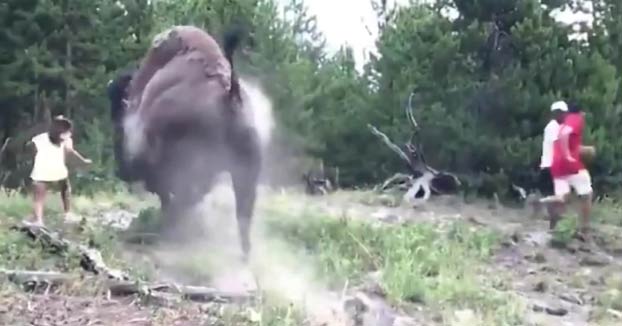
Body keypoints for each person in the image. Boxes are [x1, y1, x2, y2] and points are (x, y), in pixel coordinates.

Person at [25, 116, 91, 226]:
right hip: (50, 169)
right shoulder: (52, 138)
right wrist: (83, 161)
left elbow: (70, 151)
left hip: (47, 170)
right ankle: (62, 215)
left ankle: (41, 219)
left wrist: (82, 161)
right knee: (56, 192)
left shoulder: (42, 138)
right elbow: (70, 152)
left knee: (43, 196)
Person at [549, 102, 593, 239]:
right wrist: (568, 155)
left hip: (556, 165)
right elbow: (565, 135)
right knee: (586, 194)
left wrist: (581, 150)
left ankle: (553, 228)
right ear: (581, 112)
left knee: (562, 197)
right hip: (571, 166)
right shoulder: (575, 119)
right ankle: (584, 230)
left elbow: (569, 143)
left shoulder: (559, 122)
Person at [539, 100, 567, 227]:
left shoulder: (559, 128)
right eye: (560, 113)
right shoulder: (552, 127)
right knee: (558, 198)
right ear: (555, 114)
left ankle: (553, 224)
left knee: (559, 198)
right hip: (551, 166)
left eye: (564, 113)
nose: (563, 116)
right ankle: (538, 203)